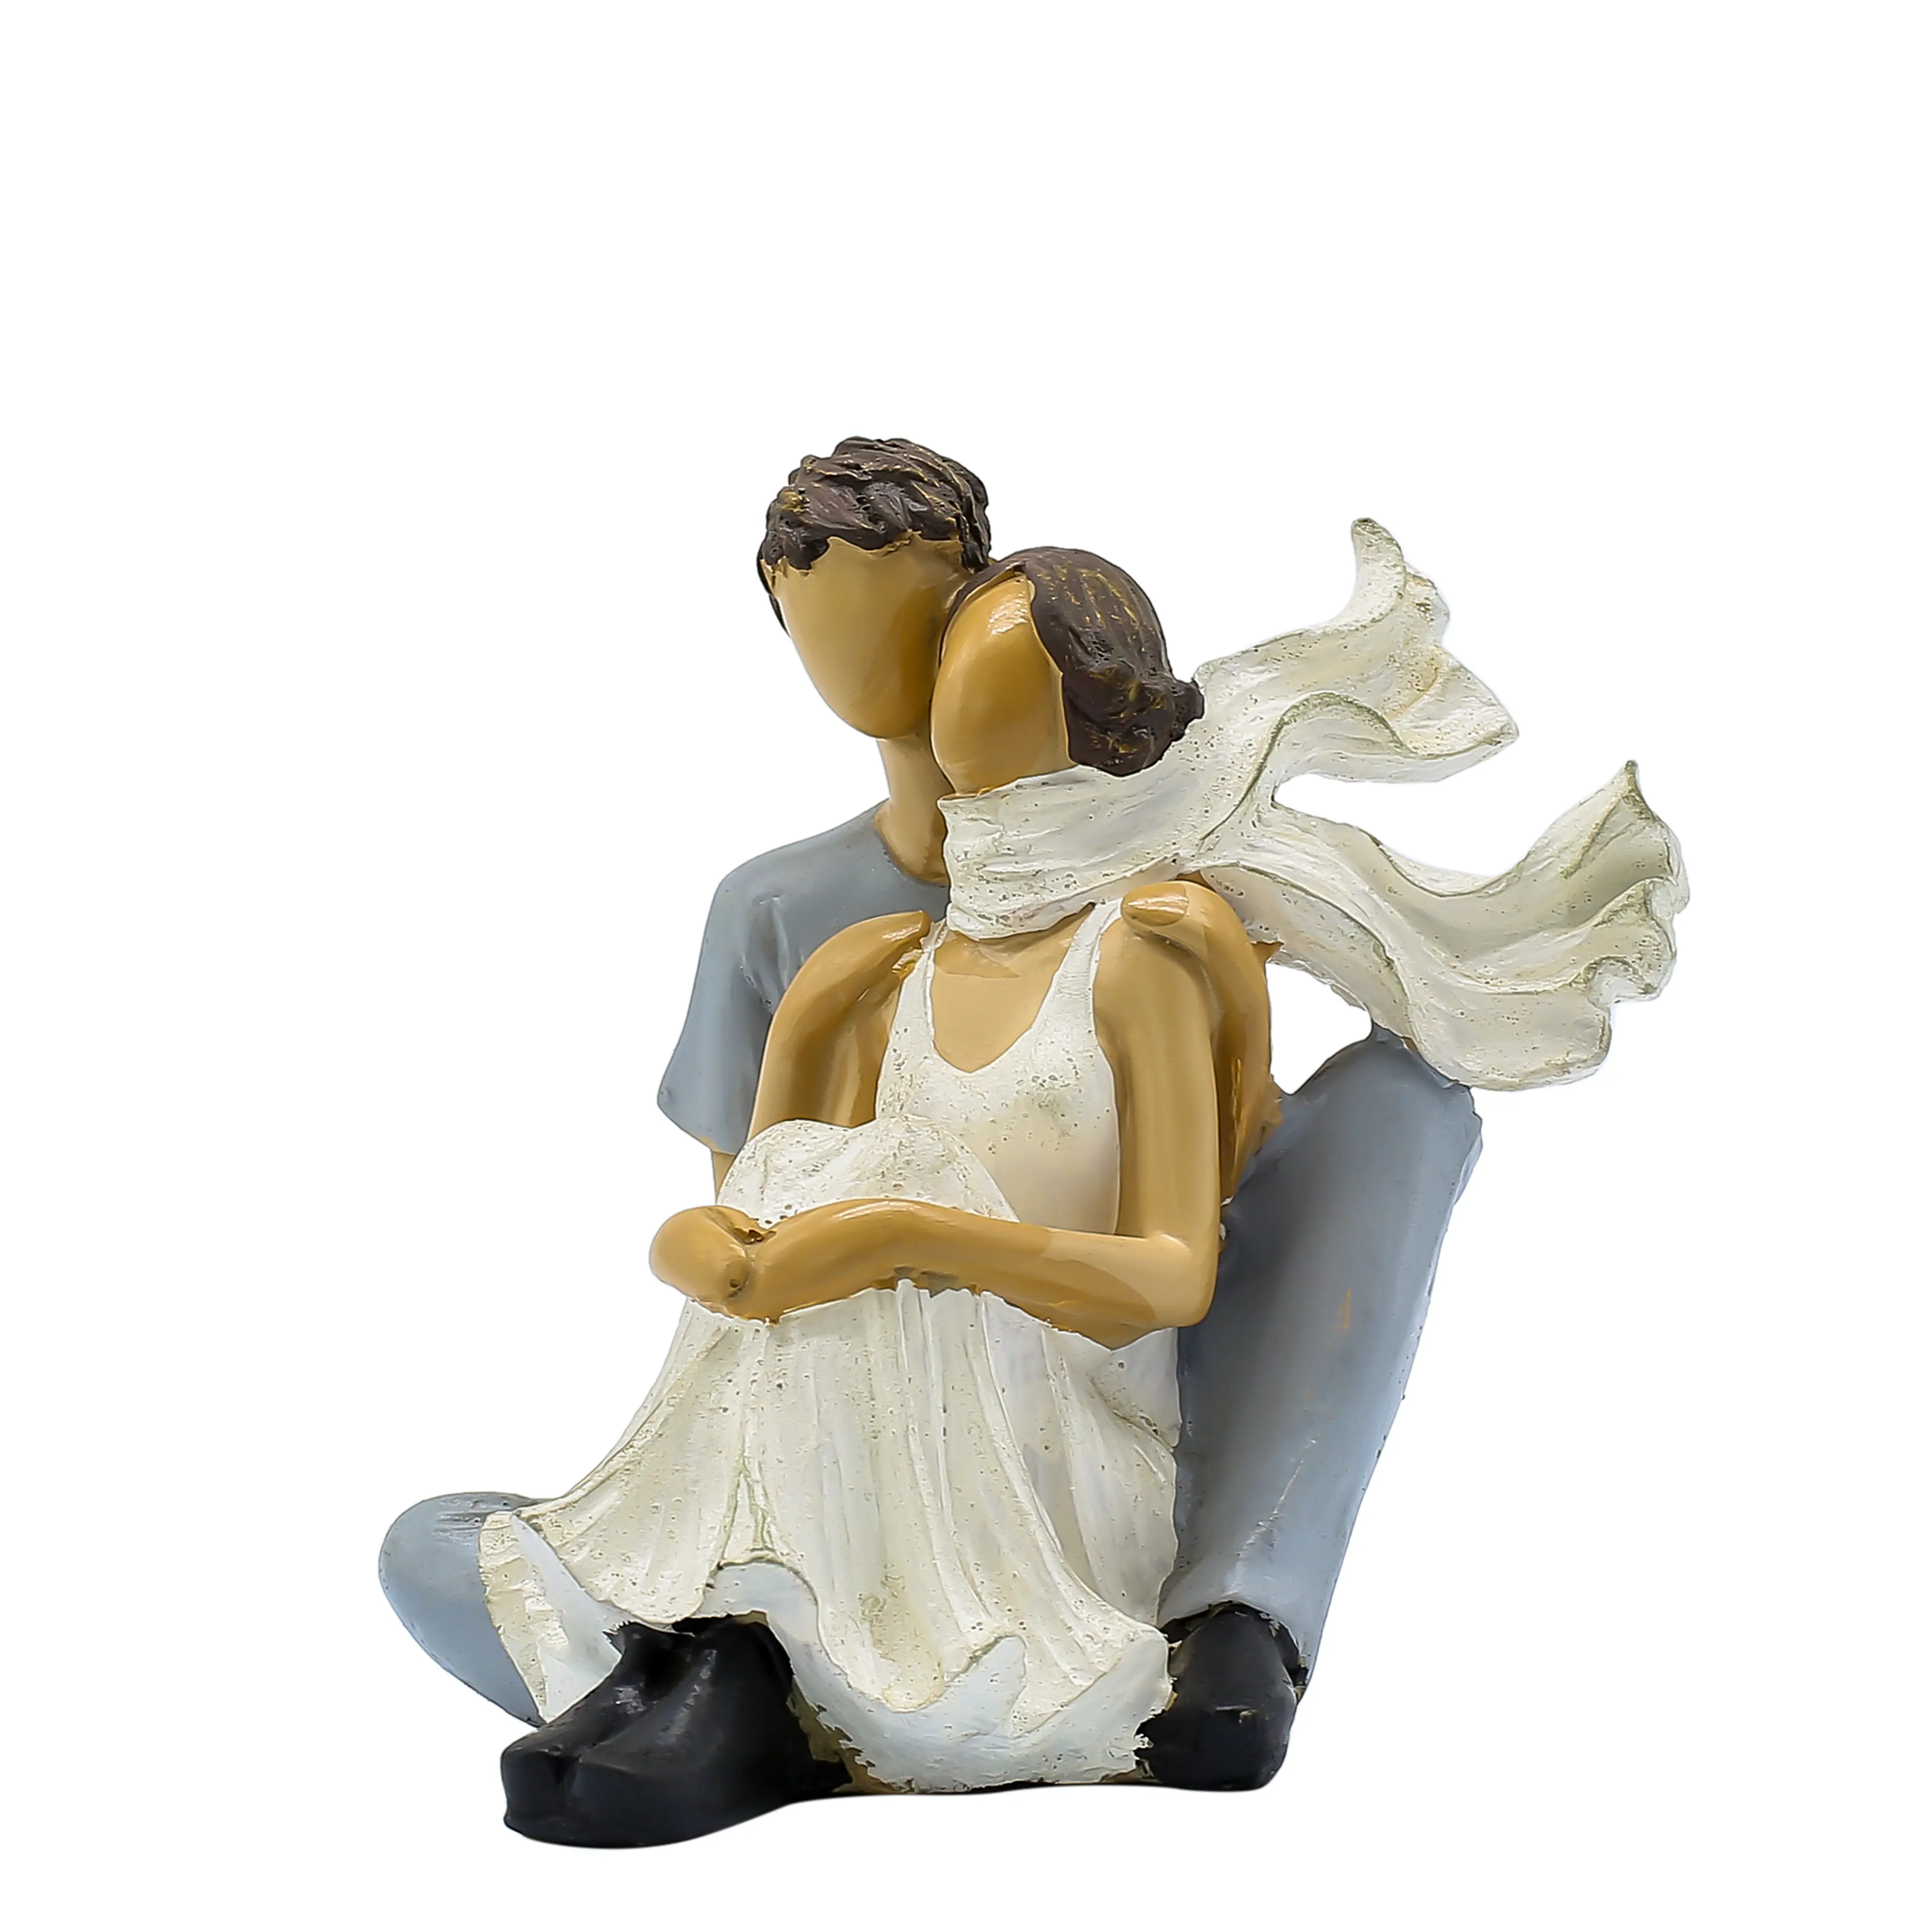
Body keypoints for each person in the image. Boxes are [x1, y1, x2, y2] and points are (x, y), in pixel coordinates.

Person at [381, 440, 1485, 1798]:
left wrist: (904, 1233)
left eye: (947, 642)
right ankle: (751, 1663)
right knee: (441, 1546)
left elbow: (1177, 1249)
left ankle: (1228, 1614)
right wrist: (725, 1251)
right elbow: (758, 1218)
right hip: (849, 1405)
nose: (914, 681)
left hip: (1064, 1403)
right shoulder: (840, 951)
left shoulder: (1154, 935)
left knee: (1402, 1100)